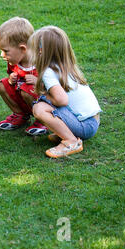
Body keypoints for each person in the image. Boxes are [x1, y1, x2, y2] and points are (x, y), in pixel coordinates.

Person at [29, 26, 102, 158]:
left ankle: (71, 141)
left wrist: (45, 96)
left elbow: (62, 100)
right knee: (45, 104)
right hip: (93, 122)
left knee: (39, 108)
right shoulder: (65, 67)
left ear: (40, 51)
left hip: (85, 126)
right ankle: (67, 133)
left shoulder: (48, 71)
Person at [0, 17, 48, 135]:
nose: (2, 55)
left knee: (27, 90)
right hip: (23, 96)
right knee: (2, 85)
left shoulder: (42, 61)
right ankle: (20, 115)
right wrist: (11, 79)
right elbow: (11, 76)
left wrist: (38, 81)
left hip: (46, 103)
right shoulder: (14, 61)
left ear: (22, 49)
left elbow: (57, 86)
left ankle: (44, 121)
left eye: (6, 51)